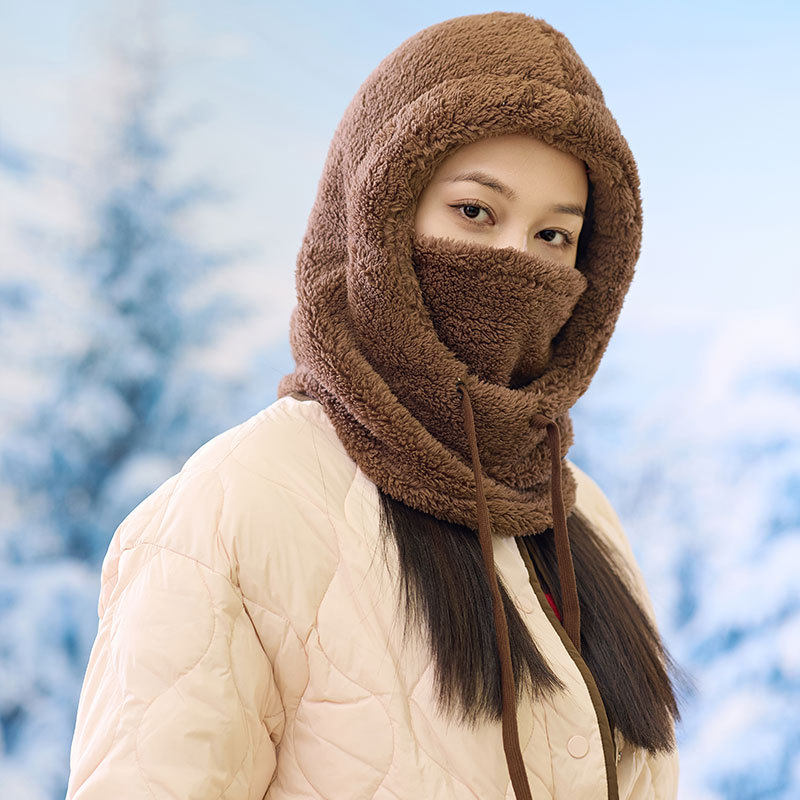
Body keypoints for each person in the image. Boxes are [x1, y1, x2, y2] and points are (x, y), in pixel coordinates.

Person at [65, 12, 685, 799]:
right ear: (375, 217)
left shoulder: (578, 514)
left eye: (554, 236)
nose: (516, 264)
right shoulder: (233, 508)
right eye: (475, 212)